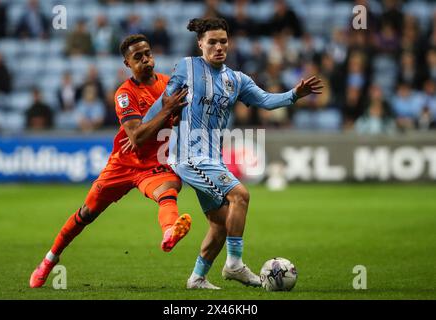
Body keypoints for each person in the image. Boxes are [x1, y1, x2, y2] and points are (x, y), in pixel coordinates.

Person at [143, 18, 323, 289]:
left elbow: (264, 100)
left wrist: (294, 95)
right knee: (240, 195)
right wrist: (138, 133)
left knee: (221, 222)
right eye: (212, 42)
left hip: (212, 157)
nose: (218, 47)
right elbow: (162, 105)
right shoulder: (187, 68)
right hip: (188, 155)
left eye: (223, 41)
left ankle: (197, 278)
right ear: (200, 43)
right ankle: (234, 264)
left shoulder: (236, 79)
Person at [29, 34, 190, 288]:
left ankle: (170, 232)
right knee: (86, 213)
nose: (146, 59)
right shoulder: (124, 94)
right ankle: (49, 259)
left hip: (151, 166)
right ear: (128, 64)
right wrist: (168, 110)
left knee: (169, 188)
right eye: (138, 57)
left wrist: (179, 115)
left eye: (148, 53)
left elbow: (179, 121)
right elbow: (136, 137)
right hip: (123, 165)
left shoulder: (169, 86)